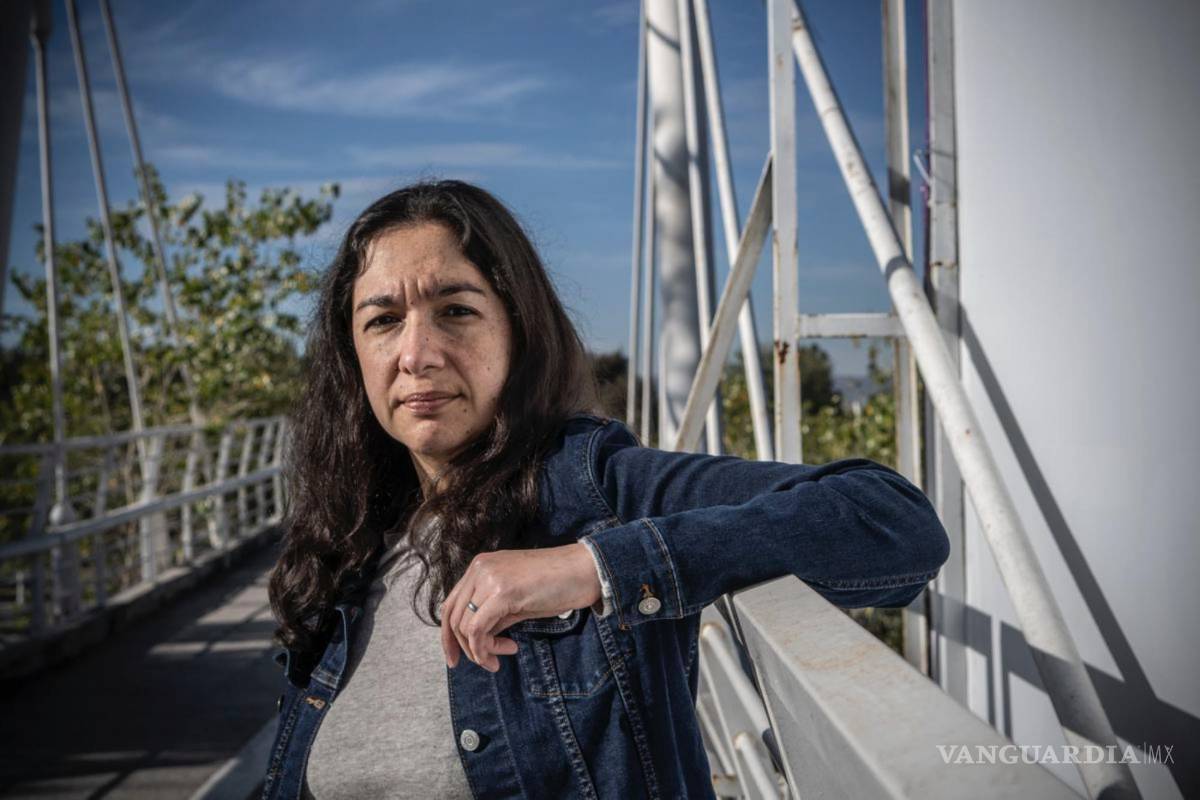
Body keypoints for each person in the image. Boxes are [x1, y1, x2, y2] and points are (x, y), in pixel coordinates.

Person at [261, 180, 950, 800]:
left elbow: (891, 520)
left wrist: (597, 567)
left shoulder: (594, 485)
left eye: (456, 311)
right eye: (383, 321)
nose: (417, 353)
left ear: (517, 329)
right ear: (354, 358)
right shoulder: (350, 547)